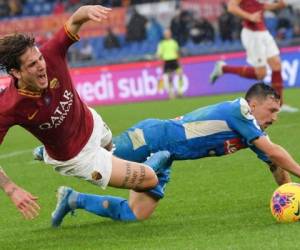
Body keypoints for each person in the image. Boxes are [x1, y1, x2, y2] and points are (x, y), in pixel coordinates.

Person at [34, 83, 300, 227]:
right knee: (98, 157)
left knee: (135, 214)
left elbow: (275, 162)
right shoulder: (239, 111)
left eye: (277, 111)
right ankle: (47, 150)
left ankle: (74, 200)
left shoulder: (251, 133)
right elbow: (275, 151)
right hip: (151, 138)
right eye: (271, 110)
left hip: (165, 155)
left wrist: (289, 194)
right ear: (253, 104)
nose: (274, 117)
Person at [0, 5, 166, 222]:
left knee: (114, 154)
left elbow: (74, 22)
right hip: (77, 157)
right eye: (32, 64)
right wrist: (12, 189)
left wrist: (85, 11)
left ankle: (46, 154)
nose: (42, 66)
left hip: (91, 121)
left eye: (39, 58)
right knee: (150, 180)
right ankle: (53, 157)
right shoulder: (9, 106)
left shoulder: (51, 55)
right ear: (15, 72)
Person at [210, 0, 298, 113]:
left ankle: (279, 104)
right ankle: (223, 68)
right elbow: (231, 7)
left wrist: (278, 5)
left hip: (263, 32)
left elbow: (261, 7)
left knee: (276, 64)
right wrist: (249, 16)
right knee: (261, 74)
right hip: (252, 34)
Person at [156, 29, 184, 99]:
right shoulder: (162, 44)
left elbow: (177, 52)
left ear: (170, 34)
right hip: (167, 61)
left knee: (180, 74)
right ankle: (171, 94)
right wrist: (160, 63)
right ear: (164, 35)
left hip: (174, 60)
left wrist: (179, 61)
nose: (167, 35)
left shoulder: (174, 42)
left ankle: (180, 91)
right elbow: (159, 54)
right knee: (169, 78)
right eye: (166, 34)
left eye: (168, 33)